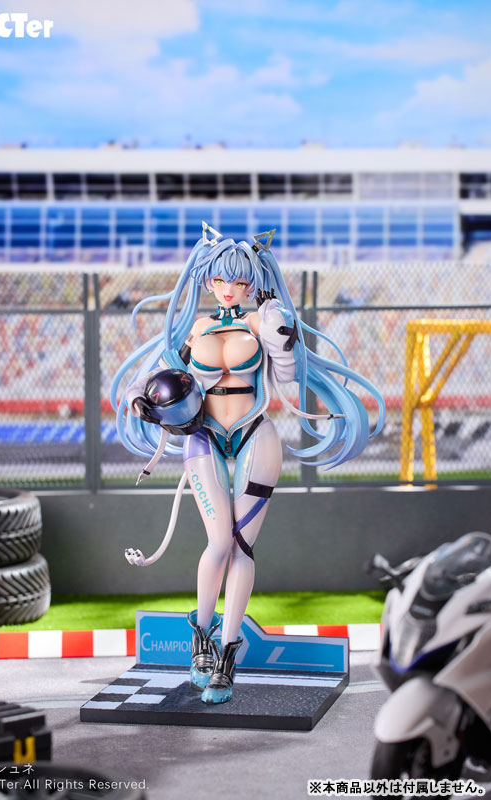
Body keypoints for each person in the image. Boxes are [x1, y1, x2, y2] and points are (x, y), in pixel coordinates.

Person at [111, 222, 385, 705]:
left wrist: (281, 336)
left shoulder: (262, 321)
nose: (227, 288)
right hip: (203, 437)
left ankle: (227, 654)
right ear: (207, 279)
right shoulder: (196, 328)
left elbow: (289, 374)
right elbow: (155, 372)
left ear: (252, 281)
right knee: (219, 540)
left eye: (238, 280)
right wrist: (139, 398)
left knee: (240, 545)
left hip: (256, 433)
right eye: (220, 279)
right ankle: (201, 637)